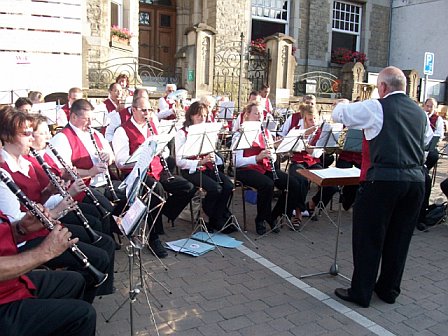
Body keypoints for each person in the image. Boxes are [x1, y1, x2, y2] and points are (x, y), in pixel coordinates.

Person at [332, 66, 432, 308]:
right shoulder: (421, 114)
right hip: (415, 182)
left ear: (384, 87)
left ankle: (361, 292)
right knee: (399, 238)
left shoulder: (377, 106)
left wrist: (342, 103)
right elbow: (427, 141)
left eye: (378, 87)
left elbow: (339, 115)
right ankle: (388, 290)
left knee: (369, 237)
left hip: (383, 181)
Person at [0, 108, 115, 303]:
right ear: (6, 136)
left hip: (44, 227)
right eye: (25, 134)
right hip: (26, 242)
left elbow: (34, 202)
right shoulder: (4, 172)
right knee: (97, 256)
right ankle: (79, 306)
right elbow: (16, 225)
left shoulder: (25, 163)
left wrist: (48, 192)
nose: (31, 138)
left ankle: (85, 299)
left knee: (101, 245)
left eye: (31, 133)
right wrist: (59, 207)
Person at [113, 96, 196, 257]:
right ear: (134, 109)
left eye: (149, 110)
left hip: (157, 170)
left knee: (187, 188)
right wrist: (142, 156)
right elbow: (121, 162)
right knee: (156, 192)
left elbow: (163, 150)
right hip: (136, 175)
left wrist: (161, 150)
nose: (147, 113)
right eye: (144, 110)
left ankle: (160, 212)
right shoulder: (122, 131)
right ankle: (153, 238)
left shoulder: (152, 125)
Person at [0, 208, 97, 336]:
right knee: (83, 315)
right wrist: (44, 252)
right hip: (3, 301)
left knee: (74, 281)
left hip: (9, 284)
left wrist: (21, 228)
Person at [233, 101, 305, 234]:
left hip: (264, 168)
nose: (260, 116)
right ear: (247, 115)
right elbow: (236, 161)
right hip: (245, 169)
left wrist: (272, 155)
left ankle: (272, 215)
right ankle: (260, 219)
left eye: (261, 113)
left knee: (293, 184)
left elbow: (274, 157)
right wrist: (256, 158)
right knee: (267, 184)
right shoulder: (240, 134)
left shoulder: (266, 132)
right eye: (256, 113)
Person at [175, 101, 234, 232]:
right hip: (190, 169)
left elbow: (212, 151)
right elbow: (179, 161)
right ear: (191, 116)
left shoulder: (207, 131)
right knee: (215, 188)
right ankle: (208, 217)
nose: (202, 119)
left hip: (207, 166)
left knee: (228, 186)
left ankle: (217, 217)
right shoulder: (182, 133)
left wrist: (214, 158)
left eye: (204, 116)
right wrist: (199, 162)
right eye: (199, 116)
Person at [279, 104, 337, 219]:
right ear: (304, 119)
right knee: (301, 180)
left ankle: (312, 204)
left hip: (313, 162)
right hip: (297, 161)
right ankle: (298, 213)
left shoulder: (320, 132)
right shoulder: (296, 130)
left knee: (332, 185)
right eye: (310, 119)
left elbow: (317, 153)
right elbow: (286, 149)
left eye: (315, 118)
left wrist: (307, 146)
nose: (313, 122)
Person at [423, 97, 443, 171]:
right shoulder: (420, 116)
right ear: (424, 106)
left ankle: (425, 171)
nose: (428, 108)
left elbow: (439, 134)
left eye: (431, 107)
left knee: (434, 156)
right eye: (427, 106)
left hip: (430, 145)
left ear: (435, 108)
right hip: (418, 143)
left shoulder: (438, 119)